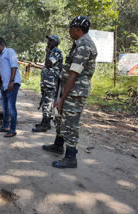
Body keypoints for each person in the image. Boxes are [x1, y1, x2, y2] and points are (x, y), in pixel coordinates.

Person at [42, 16, 97, 168]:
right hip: (69, 88)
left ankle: (71, 157)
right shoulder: (78, 44)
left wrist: (62, 98)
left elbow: (74, 74)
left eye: (70, 29)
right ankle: (58, 145)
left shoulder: (85, 46)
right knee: (60, 118)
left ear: (77, 29)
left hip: (75, 91)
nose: (69, 31)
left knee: (70, 123)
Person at [0, 39, 21, 137]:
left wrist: (11, 81)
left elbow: (14, 66)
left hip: (12, 84)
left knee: (11, 107)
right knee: (5, 107)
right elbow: (1, 71)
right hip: (5, 85)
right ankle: (5, 126)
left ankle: (12, 130)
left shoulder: (9, 51)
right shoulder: (0, 56)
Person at [32, 35, 63, 132]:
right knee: (45, 102)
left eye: (51, 40)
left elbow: (48, 64)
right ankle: (45, 122)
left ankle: (45, 125)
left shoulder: (56, 52)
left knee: (47, 103)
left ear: (56, 42)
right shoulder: (52, 52)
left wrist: (47, 53)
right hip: (46, 83)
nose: (48, 42)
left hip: (51, 83)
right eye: (48, 40)